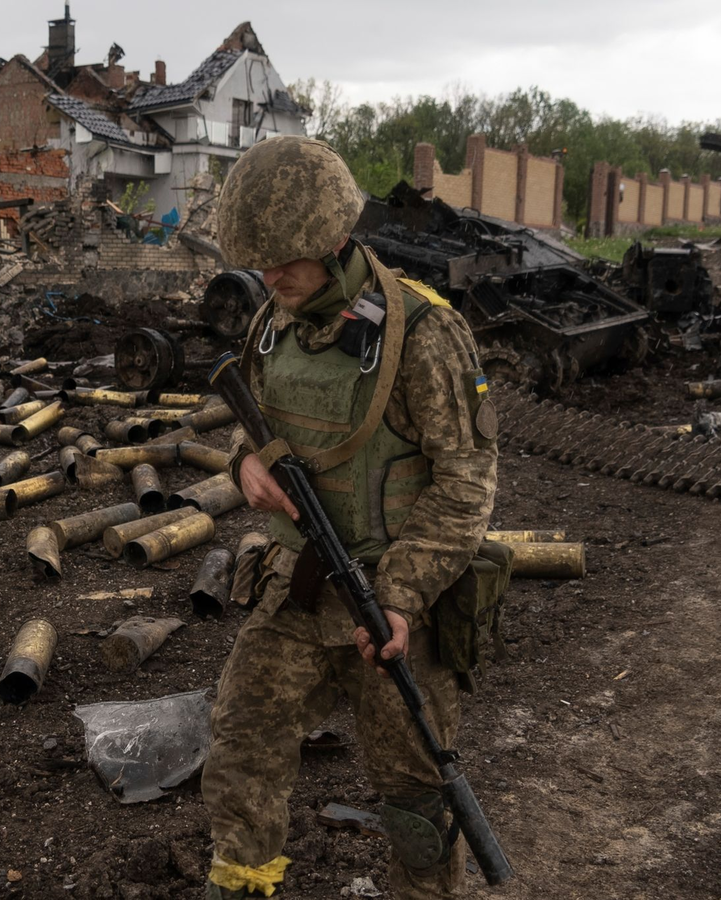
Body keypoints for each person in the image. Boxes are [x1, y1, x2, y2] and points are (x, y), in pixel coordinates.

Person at [200, 135, 500, 899]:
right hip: (296, 589)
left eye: (284, 261)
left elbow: (467, 481)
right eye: (259, 263)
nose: (270, 277)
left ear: (334, 240)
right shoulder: (273, 321)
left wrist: (401, 594)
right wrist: (243, 464)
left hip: (395, 609)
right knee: (240, 754)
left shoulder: (423, 333)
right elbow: (254, 426)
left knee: (416, 801)